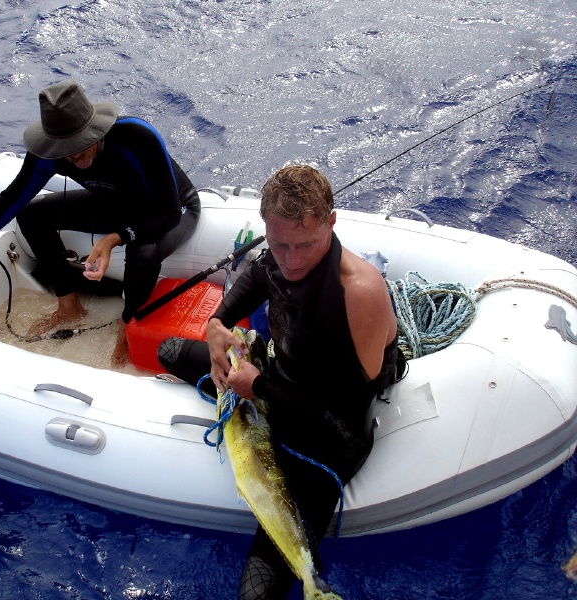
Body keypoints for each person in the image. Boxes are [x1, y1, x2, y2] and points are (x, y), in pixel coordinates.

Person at [157, 164, 403, 599]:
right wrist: (216, 325)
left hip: (328, 437)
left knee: (255, 594)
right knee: (169, 351)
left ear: (330, 222)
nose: (290, 260)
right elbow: (257, 275)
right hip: (272, 378)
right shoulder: (281, 252)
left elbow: (344, 406)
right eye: (279, 243)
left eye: (305, 244)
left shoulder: (359, 292)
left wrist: (259, 388)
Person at [0, 80, 201, 365]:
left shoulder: (136, 138)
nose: (75, 155)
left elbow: (170, 213)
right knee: (32, 214)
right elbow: (10, 201)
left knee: (143, 252)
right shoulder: (51, 152)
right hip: (115, 204)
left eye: (82, 144)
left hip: (172, 209)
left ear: (97, 131)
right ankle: (69, 306)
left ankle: (126, 326)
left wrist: (115, 238)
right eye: (66, 150)